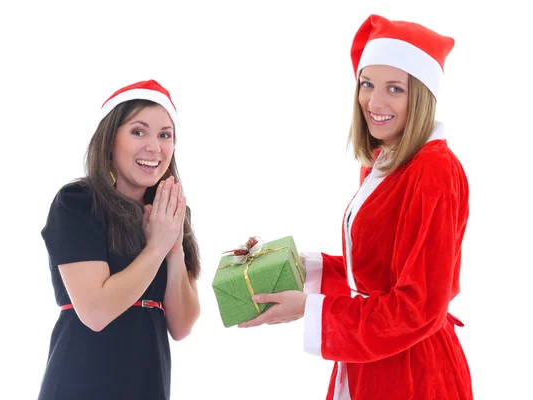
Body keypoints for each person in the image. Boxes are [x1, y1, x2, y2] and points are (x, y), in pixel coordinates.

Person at [238, 14, 473, 399]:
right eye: (367, 84)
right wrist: (287, 265)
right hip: (371, 361)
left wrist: (312, 309)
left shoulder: (435, 171)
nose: (374, 102)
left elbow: (418, 308)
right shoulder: (383, 160)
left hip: (413, 373)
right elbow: (371, 276)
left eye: (395, 89)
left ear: (423, 94)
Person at [37, 79, 201, 400]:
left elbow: (181, 326)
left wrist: (174, 250)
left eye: (165, 135)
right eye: (138, 131)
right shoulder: (77, 202)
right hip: (80, 382)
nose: (154, 147)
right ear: (111, 139)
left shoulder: (170, 212)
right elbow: (96, 313)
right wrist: (156, 247)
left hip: (148, 385)